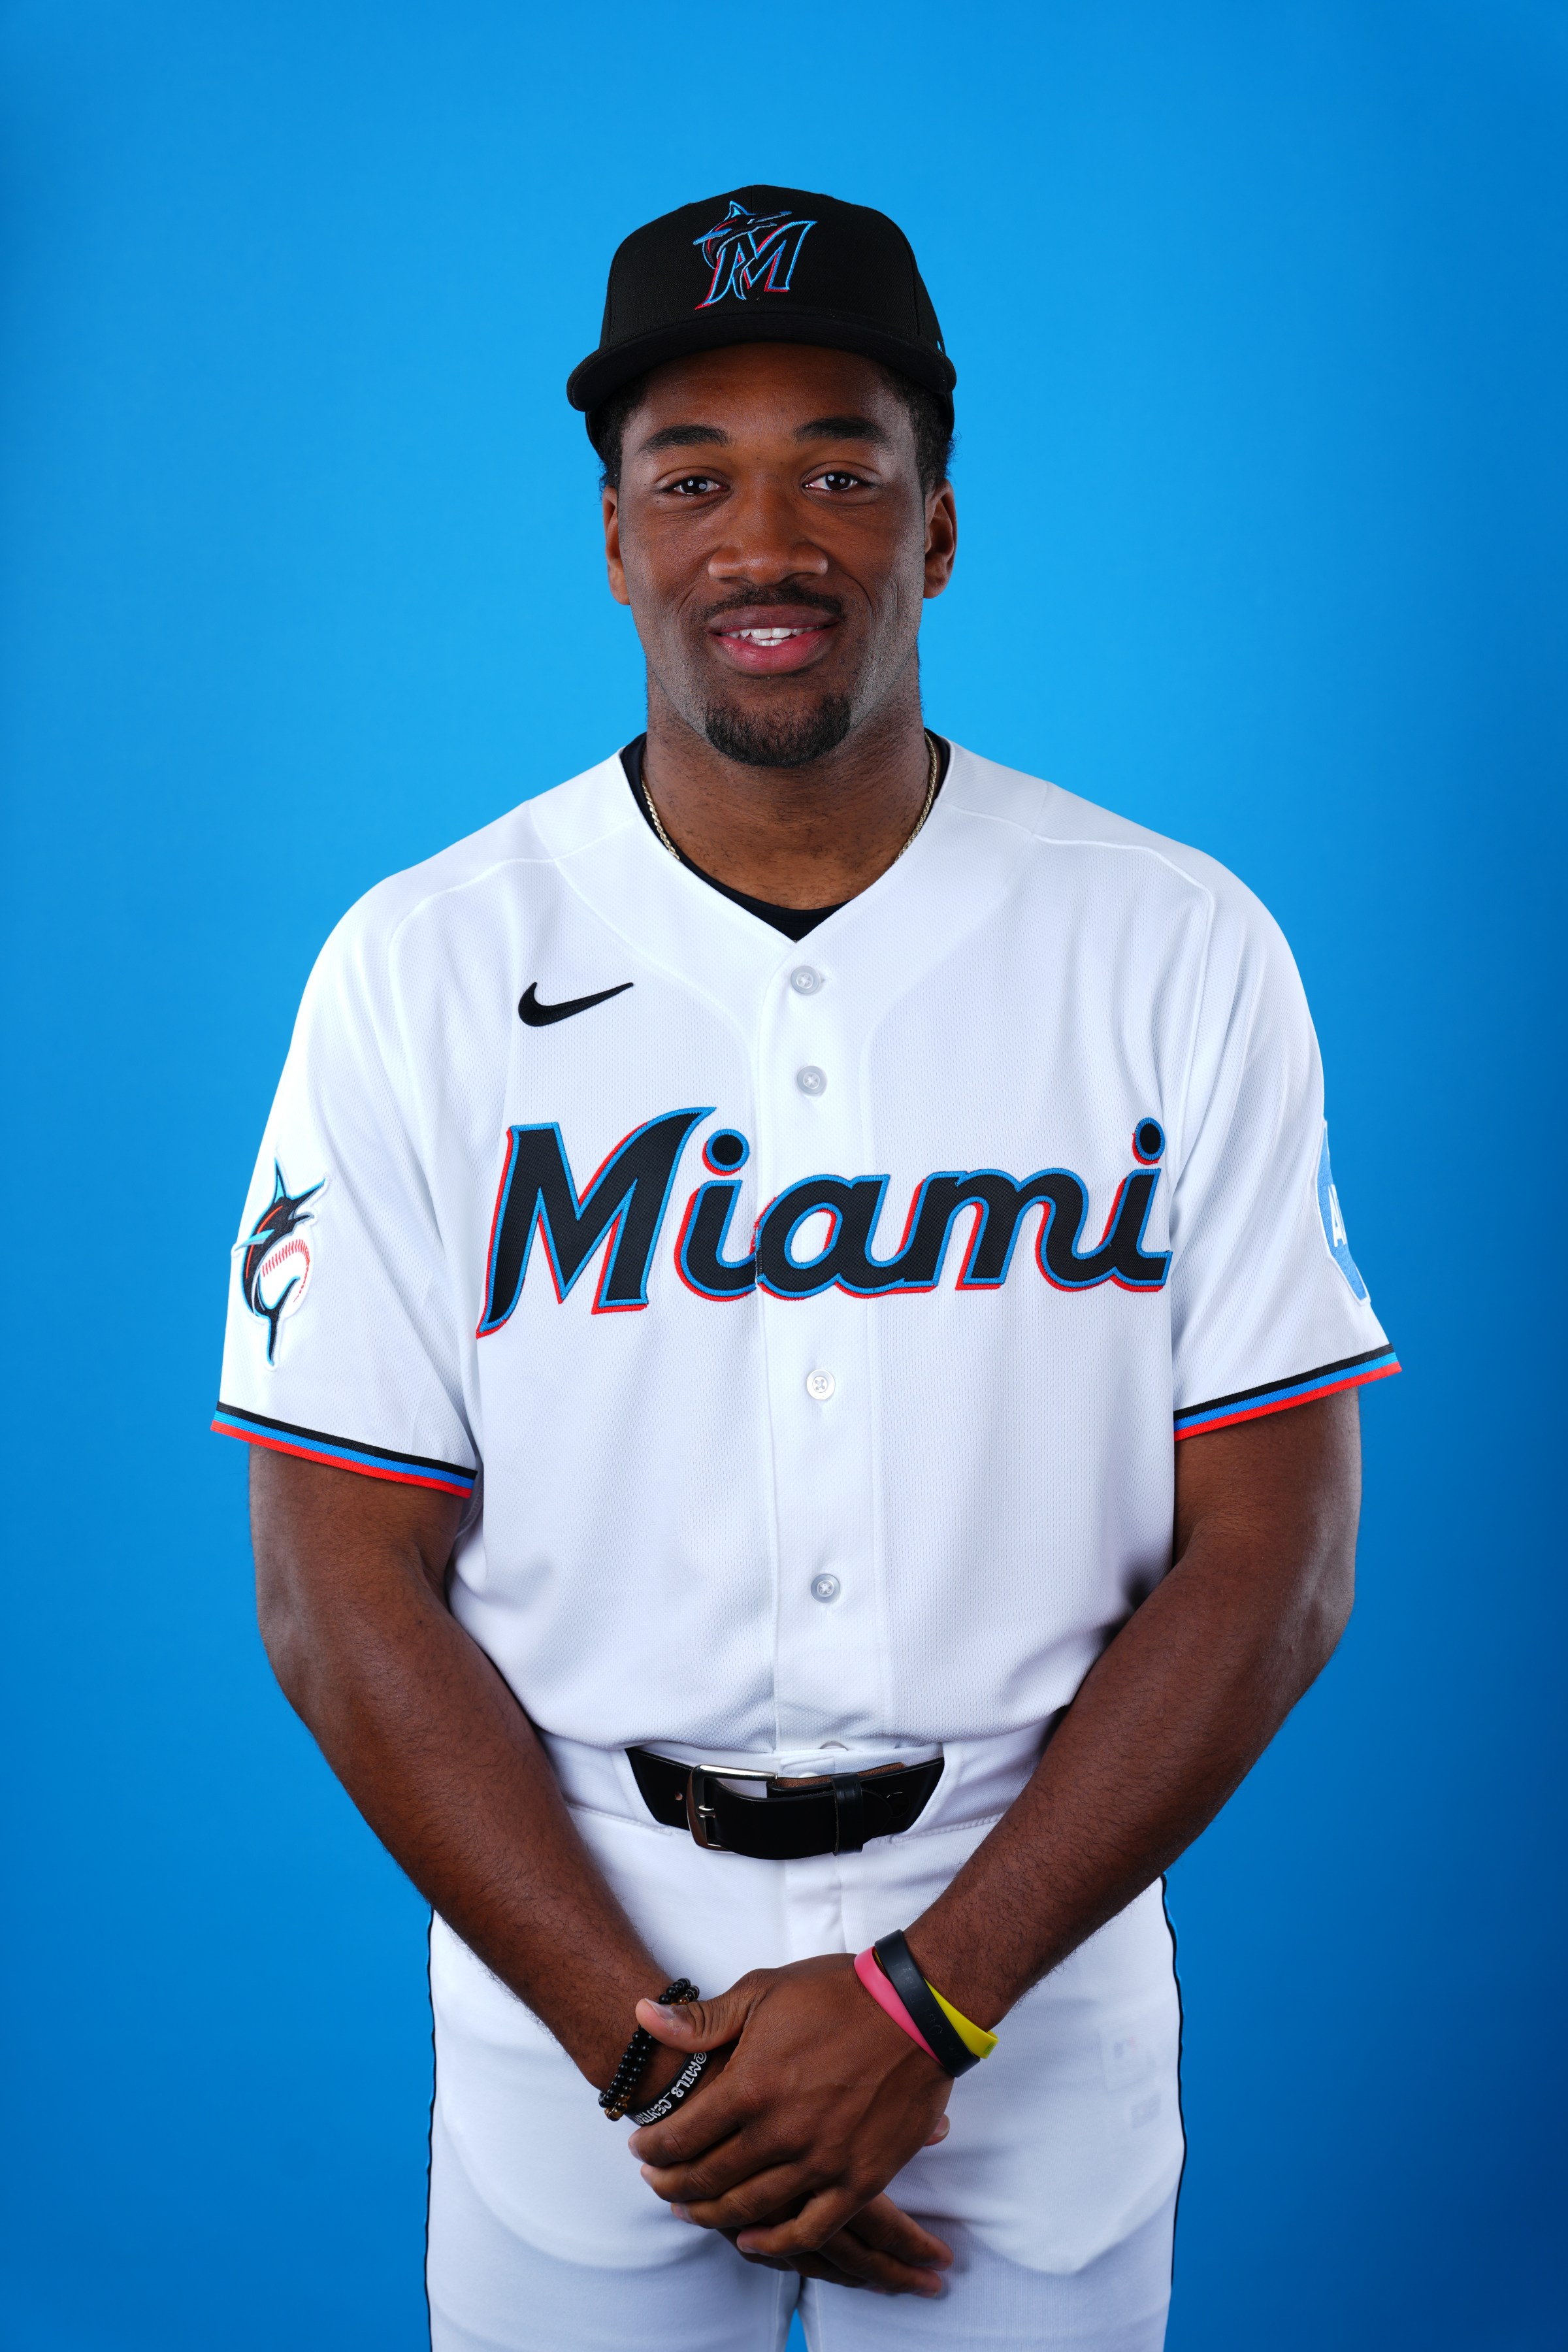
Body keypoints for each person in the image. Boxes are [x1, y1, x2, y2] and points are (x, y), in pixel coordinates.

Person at [214, 186, 1399, 2351]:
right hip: (572, 1938)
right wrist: (647, 2057)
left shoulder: (1173, 945)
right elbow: (334, 1583)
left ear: (939, 528)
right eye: (696, 479)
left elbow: (1280, 1560)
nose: (771, 540)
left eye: (842, 469)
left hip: (1031, 1935)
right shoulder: (420, 969)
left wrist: (929, 2004)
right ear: (614, 540)